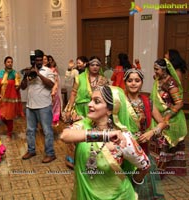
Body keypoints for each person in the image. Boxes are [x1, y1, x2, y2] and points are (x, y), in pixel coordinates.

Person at [60, 85, 150, 200]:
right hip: (86, 196)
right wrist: (104, 135)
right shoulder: (83, 125)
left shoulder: (122, 139)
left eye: (96, 102)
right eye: (91, 100)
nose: (89, 104)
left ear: (110, 110)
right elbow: (65, 135)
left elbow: (145, 166)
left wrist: (134, 182)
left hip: (118, 196)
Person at [124, 68, 166, 199]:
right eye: (130, 80)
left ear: (142, 82)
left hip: (143, 148)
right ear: (125, 82)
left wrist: (152, 132)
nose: (133, 83)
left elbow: (162, 123)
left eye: (137, 80)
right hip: (124, 149)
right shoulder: (119, 101)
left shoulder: (148, 101)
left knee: (142, 186)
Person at [64, 56, 108, 168]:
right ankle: (73, 160)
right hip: (79, 110)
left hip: (95, 111)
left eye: (97, 65)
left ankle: (90, 161)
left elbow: (107, 97)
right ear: (89, 65)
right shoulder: (79, 78)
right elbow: (73, 93)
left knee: (92, 137)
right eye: (92, 65)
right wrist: (69, 109)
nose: (95, 67)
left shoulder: (103, 80)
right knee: (77, 135)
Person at [150, 58, 187, 176]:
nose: (155, 72)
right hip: (158, 116)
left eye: (157, 69)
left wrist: (166, 117)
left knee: (163, 143)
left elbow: (179, 103)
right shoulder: (158, 79)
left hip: (172, 118)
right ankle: (155, 170)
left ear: (164, 70)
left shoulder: (170, 83)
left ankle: (160, 172)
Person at [20, 49, 56, 163]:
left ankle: (50, 154)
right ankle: (31, 150)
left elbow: (51, 85)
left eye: (41, 60)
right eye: (37, 60)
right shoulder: (29, 70)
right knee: (30, 130)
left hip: (44, 106)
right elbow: (22, 87)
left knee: (47, 131)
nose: (39, 62)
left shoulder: (48, 71)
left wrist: (39, 74)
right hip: (30, 106)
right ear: (34, 60)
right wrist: (26, 76)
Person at [0, 56, 24, 140]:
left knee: (9, 117)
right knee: (0, 115)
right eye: (8, 62)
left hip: (11, 100)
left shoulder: (15, 74)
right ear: (4, 63)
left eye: (11, 62)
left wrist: (19, 84)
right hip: (1, 98)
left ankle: (9, 133)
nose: (10, 63)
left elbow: (17, 87)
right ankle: (9, 128)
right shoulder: (0, 73)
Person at [48, 55, 62, 127]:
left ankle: (55, 120)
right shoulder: (45, 70)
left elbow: (57, 81)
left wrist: (54, 90)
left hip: (55, 89)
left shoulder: (54, 70)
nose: (50, 61)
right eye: (48, 60)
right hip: (47, 90)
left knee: (55, 103)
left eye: (51, 60)